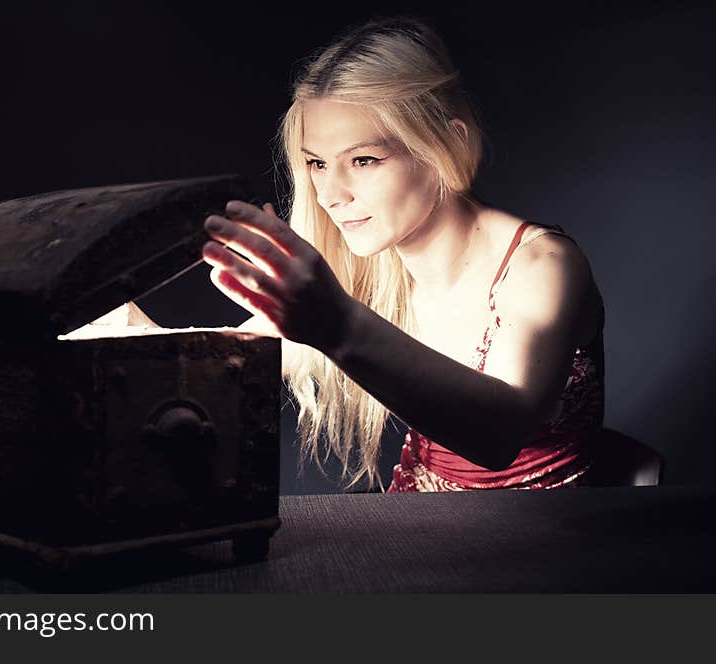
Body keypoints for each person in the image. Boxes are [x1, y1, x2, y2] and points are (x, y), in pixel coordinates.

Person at [199, 15, 605, 493]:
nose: (330, 193)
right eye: (316, 164)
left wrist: (338, 325)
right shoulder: (374, 271)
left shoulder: (542, 265)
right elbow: (222, 357)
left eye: (364, 160)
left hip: (543, 553)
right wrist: (116, 335)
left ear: (446, 144)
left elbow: (500, 436)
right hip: (415, 529)